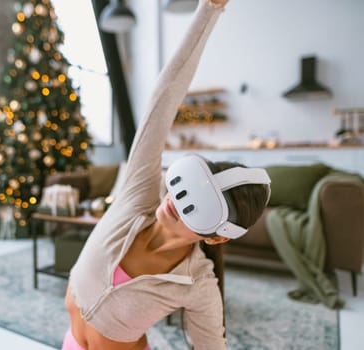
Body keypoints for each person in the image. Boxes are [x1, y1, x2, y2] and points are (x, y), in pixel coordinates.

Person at [62, 0, 271, 349]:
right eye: (191, 185)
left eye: (202, 206)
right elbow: (164, 96)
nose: (178, 201)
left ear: (217, 237)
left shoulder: (197, 284)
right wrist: (209, 9)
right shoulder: (138, 196)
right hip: (69, 340)